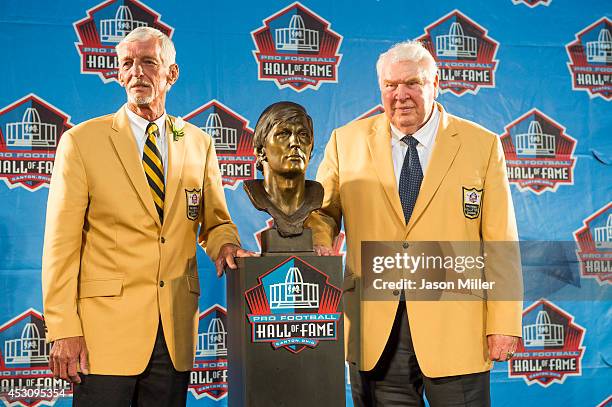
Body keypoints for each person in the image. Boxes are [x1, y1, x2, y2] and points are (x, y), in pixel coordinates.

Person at [42, 27, 254, 406]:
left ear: (171, 74)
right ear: (119, 74)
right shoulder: (82, 142)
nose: (137, 72)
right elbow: (60, 245)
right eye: (128, 64)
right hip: (103, 336)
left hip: (173, 334)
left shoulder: (199, 143)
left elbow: (216, 221)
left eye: (148, 62)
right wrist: (62, 328)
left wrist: (226, 245)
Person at [307, 40, 523, 406]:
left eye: (413, 83)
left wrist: (503, 322)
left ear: (435, 84)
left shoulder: (481, 145)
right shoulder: (346, 142)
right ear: (381, 90)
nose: (401, 95)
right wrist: (319, 240)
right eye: (391, 85)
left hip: (457, 329)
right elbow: (321, 213)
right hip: (377, 330)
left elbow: (500, 240)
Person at [243, 101, 323, 238]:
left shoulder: (316, 195)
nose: (295, 142)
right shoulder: (256, 193)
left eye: (303, 134)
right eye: (283, 134)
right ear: (261, 150)